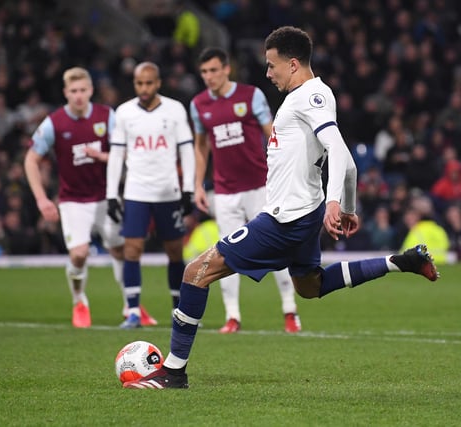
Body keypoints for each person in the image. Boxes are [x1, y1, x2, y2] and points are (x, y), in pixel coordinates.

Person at [123, 26, 439, 389]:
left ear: (292, 64)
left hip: (285, 219)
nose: (267, 73)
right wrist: (347, 205)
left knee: (196, 271)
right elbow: (345, 163)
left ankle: (174, 372)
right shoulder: (310, 96)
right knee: (310, 285)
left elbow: (341, 154)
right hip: (303, 213)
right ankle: (401, 261)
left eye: (271, 65)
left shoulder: (310, 96)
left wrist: (337, 202)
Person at [24, 67, 156, 328]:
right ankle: (79, 300)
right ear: (65, 93)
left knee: (120, 250)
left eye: (83, 90)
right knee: (80, 255)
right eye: (73, 91)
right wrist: (42, 199)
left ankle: (131, 305)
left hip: (106, 197)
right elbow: (31, 159)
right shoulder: (55, 122)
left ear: (91, 91)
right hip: (73, 201)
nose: (78, 96)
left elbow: (128, 153)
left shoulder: (107, 117)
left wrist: (102, 157)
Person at [190, 47, 300, 334]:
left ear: (227, 69)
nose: (209, 77)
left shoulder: (251, 96)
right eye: (204, 72)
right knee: (227, 254)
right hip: (225, 193)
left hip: (261, 188)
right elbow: (201, 147)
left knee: (276, 248)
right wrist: (198, 185)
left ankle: (290, 311)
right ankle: (232, 316)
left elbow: (273, 134)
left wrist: (287, 170)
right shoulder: (199, 104)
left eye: (214, 70)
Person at [107, 62, 195, 329]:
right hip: (136, 192)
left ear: (158, 83)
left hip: (168, 192)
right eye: (139, 83)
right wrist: (112, 194)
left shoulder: (175, 109)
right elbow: (116, 155)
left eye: (148, 83)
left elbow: (187, 150)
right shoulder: (123, 113)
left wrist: (188, 188)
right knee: (132, 250)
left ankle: (178, 311)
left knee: (174, 252)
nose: (143, 88)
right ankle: (133, 311)